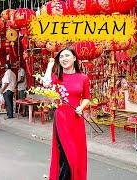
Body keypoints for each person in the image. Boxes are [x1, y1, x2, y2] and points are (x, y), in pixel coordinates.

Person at [42, 48, 90, 180]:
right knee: (65, 156)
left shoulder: (83, 78)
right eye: (61, 56)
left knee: (76, 156)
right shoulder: (57, 77)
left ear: (74, 58)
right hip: (61, 119)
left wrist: (81, 106)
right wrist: (50, 65)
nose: (64, 58)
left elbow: (87, 97)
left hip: (76, 119)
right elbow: (45, 83)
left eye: (67, 55)